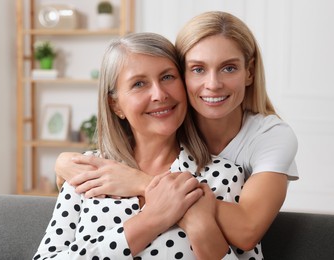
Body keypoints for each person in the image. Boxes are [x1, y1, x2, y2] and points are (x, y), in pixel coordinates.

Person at [54, 11, 299, 259]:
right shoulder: (93, 173)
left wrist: (149, 186)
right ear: (115, 104)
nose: (212, 84)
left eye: (167, 77)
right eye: (198, 69)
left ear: (249, 72)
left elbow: (247, 231)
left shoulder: (229, 172)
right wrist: (63, 162)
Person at [33, 32, 245, 259]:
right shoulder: (88, 171)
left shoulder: (223, 175)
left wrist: (201, 226)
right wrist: (150, 221)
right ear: (115, 105)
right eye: (139, 84)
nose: (159, 94)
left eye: (167, 77)